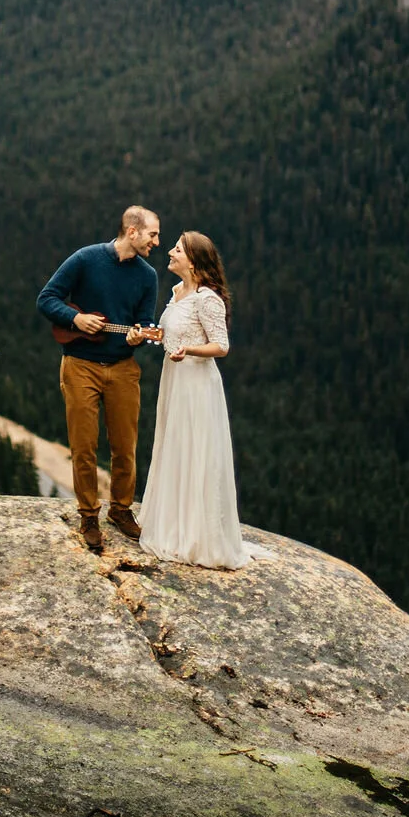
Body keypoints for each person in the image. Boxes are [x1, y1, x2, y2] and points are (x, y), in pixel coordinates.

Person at [37, 206, 162, 553]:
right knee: (84, 446)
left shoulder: (147, 275)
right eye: (153, 234)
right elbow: (46, 299)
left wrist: (139, 337)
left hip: (123, 368)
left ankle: (120, 510)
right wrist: (76, 321)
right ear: (132, 232)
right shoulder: (85, 259)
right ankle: (89, 515)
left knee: (125, 446)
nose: (157, 241)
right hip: (80, 365)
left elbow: (143, 321)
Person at [139, 231, 249, 569]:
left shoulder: (206, 298)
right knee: (175, 446)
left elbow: (221, 345)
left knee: (195, 450)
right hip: (176, 379)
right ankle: (175, 524)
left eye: (178, 249)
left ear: (194, 261)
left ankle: (196, 534)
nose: (170, 252)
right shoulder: (177, 293)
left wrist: (190, 350)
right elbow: (172, 333)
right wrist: (155, 335)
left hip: (197, 384)